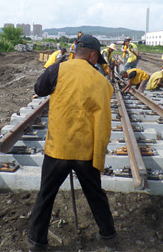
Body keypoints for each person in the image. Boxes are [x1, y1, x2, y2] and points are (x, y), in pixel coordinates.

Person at [28, 34, 117, 252]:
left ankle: (37, 244)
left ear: (75, 51)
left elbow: (39, 89)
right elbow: (104, 123)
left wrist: (57, 66)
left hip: (58, 148)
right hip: (86, 152)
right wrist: (99, 157)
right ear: (93, 55)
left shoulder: (58, 69)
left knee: (45, 195)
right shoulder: (102, 83)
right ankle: (109, 237)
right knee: (96, 195)